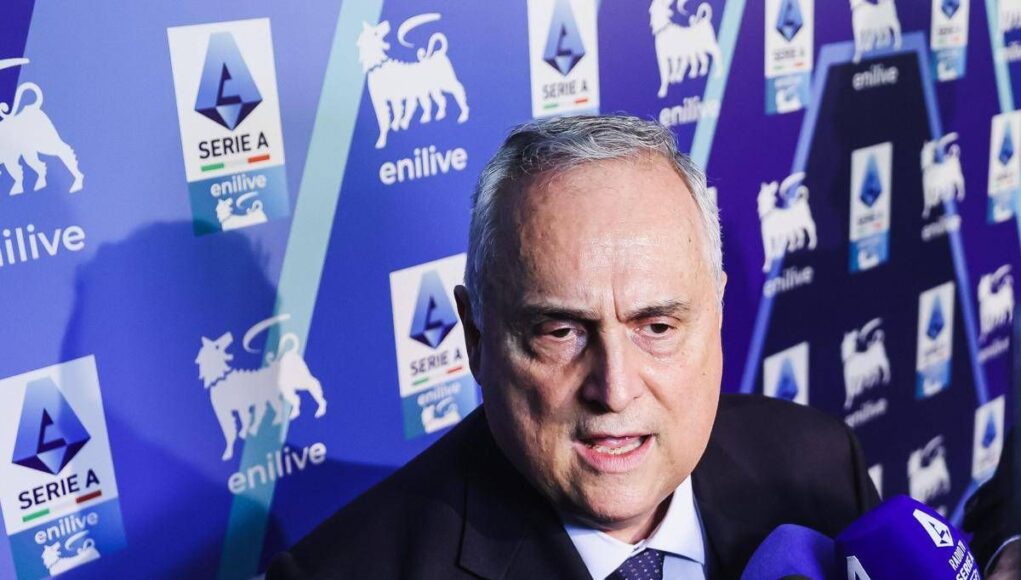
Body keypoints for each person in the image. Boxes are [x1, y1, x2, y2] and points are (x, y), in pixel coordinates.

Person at [267, 115, 879, 579]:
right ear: (476, 337)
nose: (615, 389)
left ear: (715, 315)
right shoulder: (347, 570)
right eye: (561, 332)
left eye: (657, 327)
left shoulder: (822, 470)